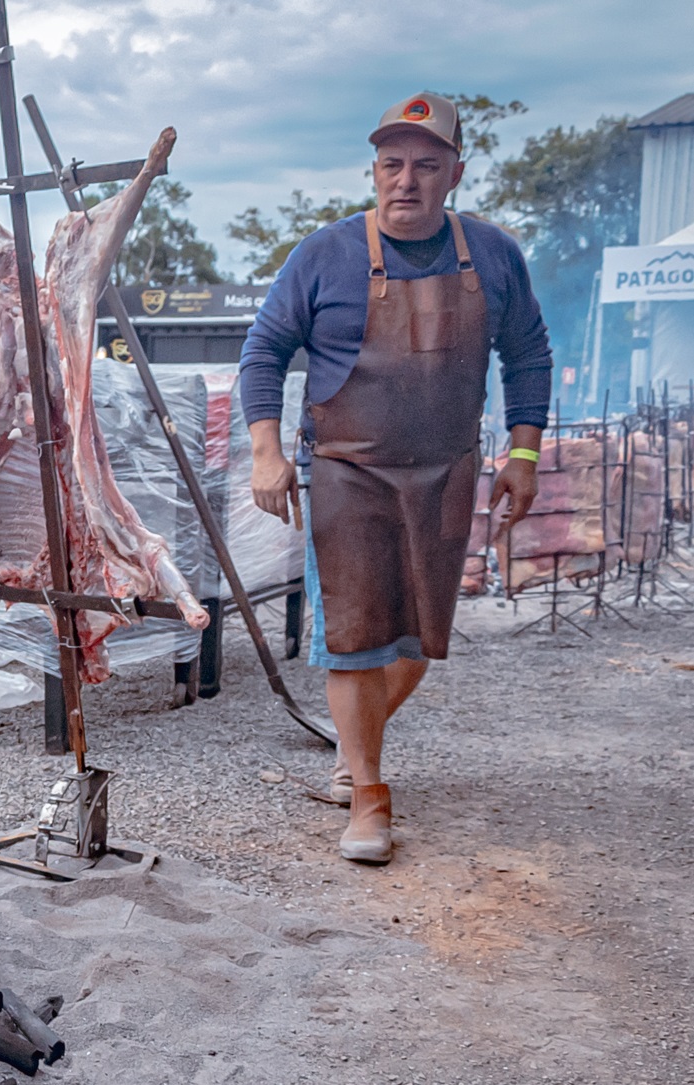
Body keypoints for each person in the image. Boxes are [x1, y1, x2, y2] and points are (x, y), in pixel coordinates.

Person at [238, 92, 552, 864]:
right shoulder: (324, 255)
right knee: (353, 639)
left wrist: (523, 454)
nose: (404, 180)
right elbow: (263, 351)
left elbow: (528, 355)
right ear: (373, 170)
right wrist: (264, 450)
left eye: (423, 164)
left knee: (415, 640)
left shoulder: (494, 254)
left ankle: (356, 745)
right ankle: (369, 798)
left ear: (454, 173)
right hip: (348, 473)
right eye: (390, 164)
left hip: (446, 473)